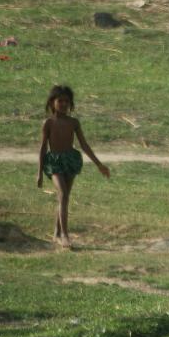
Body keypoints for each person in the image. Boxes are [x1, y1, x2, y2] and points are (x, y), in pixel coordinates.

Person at [36, 85, 110, 248]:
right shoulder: (48, 122)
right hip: (54, 162)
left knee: (64, 197)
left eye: (66, 101)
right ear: (52, 102)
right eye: (60, 101)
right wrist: (39, 173)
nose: (63, 104)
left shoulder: (73, 122)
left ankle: (56, 232)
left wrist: (99, 165)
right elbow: (42, 147)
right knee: (62, 194)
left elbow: (84, 145)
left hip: (70, 160)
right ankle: (65, 235)